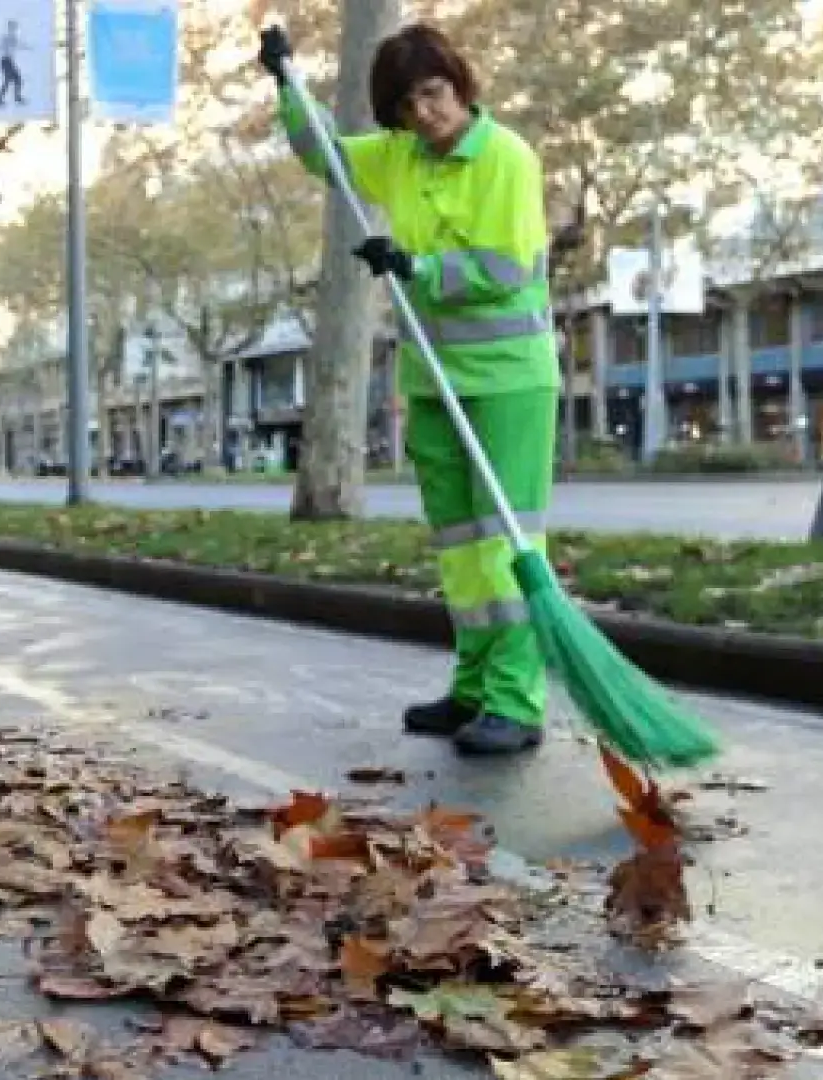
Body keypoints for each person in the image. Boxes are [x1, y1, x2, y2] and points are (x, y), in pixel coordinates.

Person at [259, 24, 560, 756]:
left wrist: (415, 268)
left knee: (506, 545)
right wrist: (286, 86)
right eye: (407, 105)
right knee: (459, 549)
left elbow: (506, 270)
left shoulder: (506, 158)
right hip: (434, 382)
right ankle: (473, 688)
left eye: (433, 92)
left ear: (458, 82)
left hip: (509, 383)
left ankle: (516, 702)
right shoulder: (399, 160)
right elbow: (321, 155)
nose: (426, 113)